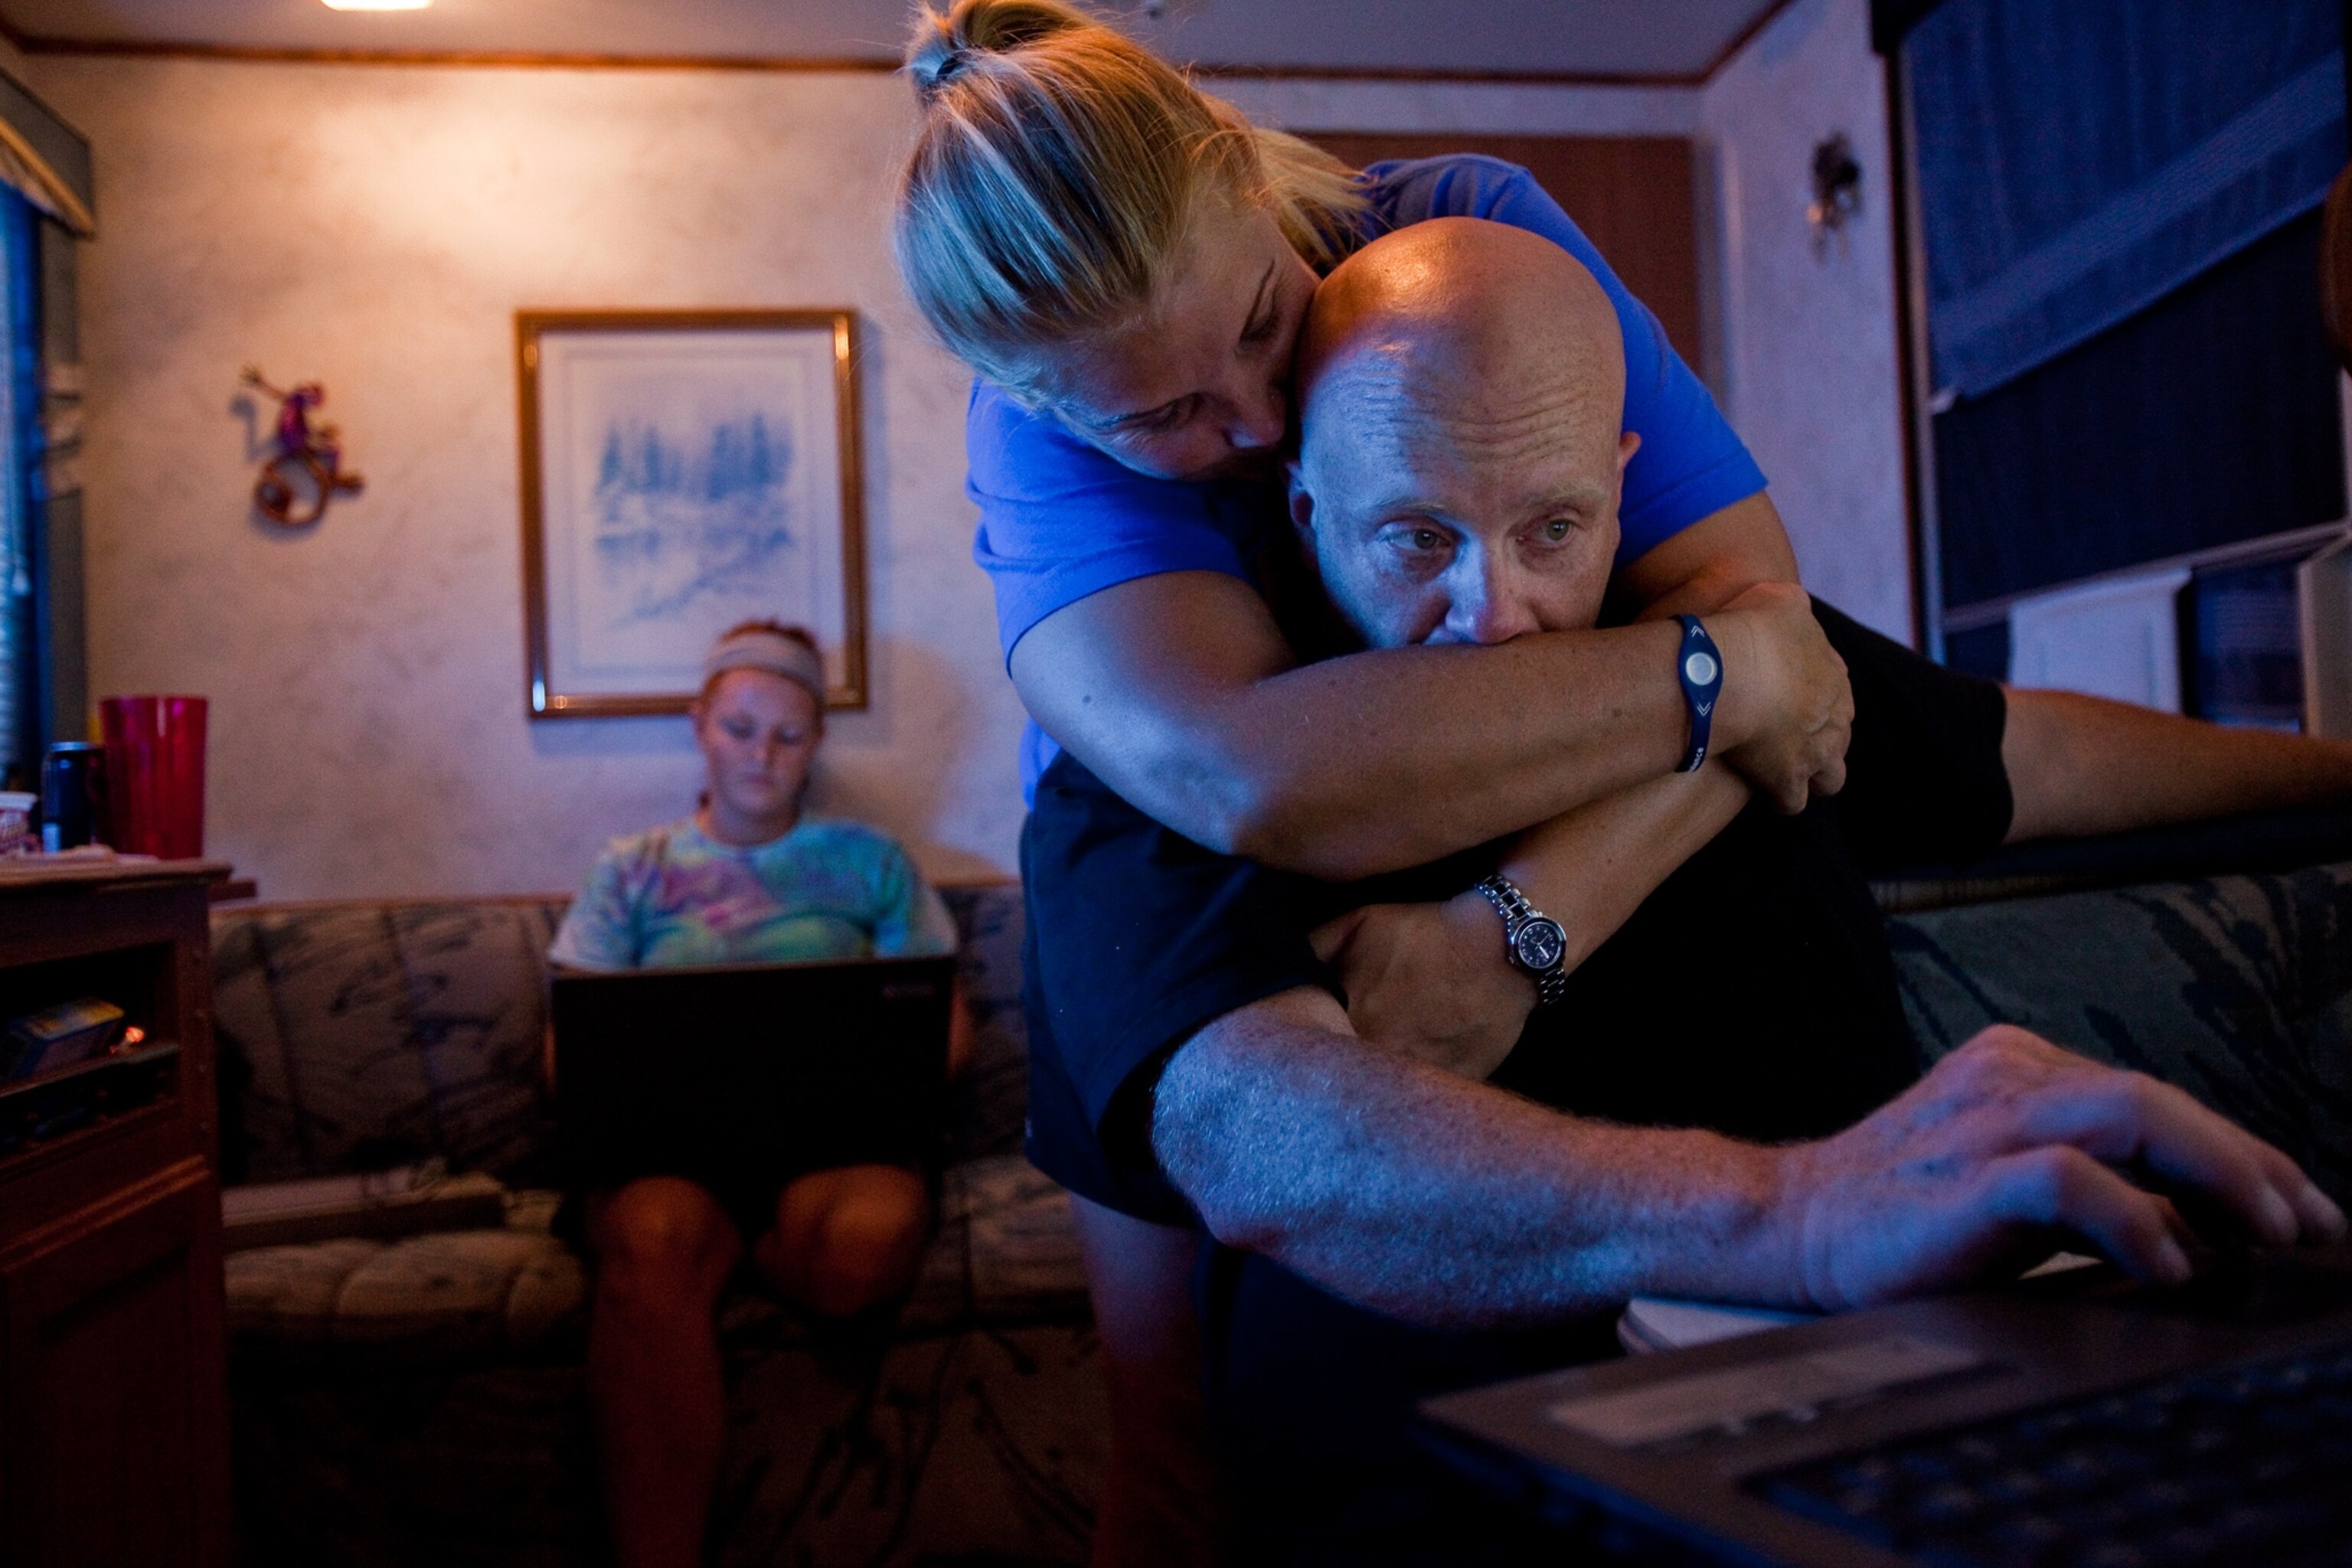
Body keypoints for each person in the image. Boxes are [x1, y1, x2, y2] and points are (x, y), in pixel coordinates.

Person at [1024, 218, 2352, 1562]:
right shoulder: (1161, 775)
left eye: (1553, 527)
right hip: (1456, 1500)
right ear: (1308, 511)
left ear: (1619, 486)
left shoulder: (1753, 667)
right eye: (1419, 538)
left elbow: (2037, 751)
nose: (1499, 614)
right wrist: (1798, 1211)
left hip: (1884, 1452)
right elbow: (1266, 1137)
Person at [894, 5, 1852, 1554]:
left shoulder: (1463, 223)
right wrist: (1721, 681)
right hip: (1168, 896)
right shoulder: (1033, 431)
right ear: (1050, 407)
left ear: (1243, 170)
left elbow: (1763, 622)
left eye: (1266, 323)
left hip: (1526, 817)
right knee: (1172, 1431)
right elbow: (1255, 779)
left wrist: (1524, 919)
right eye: (1164, 417)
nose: (1257, 424)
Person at [547, 620, 965, 1568]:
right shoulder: (632, 870)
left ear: (816, 742)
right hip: (669, 1160)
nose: (761, 754)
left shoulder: (870, 862)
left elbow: (945, 1028)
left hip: (839, 1152)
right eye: (740, 728)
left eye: (786, 734)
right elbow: (566, 1048)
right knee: (655, 1237)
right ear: (700, 724)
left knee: (868, 1243)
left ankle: (735, 1257)